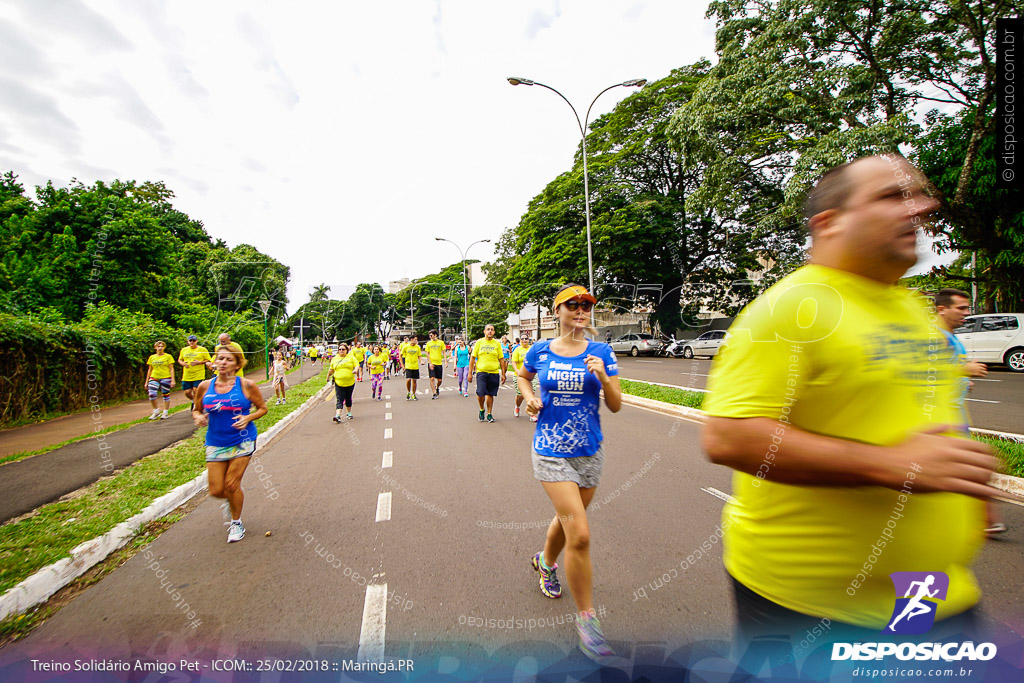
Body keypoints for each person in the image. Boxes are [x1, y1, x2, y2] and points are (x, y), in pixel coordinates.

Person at [701, 155, 1002, 667]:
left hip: (927, 591)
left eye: (922, 195)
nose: (923, 207)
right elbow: (730, 438)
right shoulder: (795, 306)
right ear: (829, 222)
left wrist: (967, 488)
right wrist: (892, 466)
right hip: (815, 607)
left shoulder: (907, 306)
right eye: (893, 196)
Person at [518, 283, 621, 661]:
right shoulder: (540, 350)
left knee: (566, 522)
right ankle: (588, 623)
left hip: (589, 452)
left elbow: (616, 406)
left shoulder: (601, 351)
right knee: (579, 534)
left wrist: (605, 378)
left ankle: (544, 562)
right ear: (557, 310)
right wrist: (529, 399)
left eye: (586, 305)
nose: (581, 310)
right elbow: (524, 377)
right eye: (573, 305)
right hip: (550, 451)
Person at [935, 287, 1006, 535]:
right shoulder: (936, 336)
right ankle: (984, 520)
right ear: (942, 309)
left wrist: (965, 381)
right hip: (941, 417)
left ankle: (981, 519)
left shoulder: (951, 337)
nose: (966, 313)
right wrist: (965, 371)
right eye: (961, 308)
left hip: (956, 413)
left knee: (966, 466)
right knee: (973, 464)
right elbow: (927, 369)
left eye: (967, 308)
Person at [192, 344, 267, 543]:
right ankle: (232, 501)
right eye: (220, 359)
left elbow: (263, 408)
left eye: (228, 360)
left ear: (237, 364)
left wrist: (248, 418)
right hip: (215, 441)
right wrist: (198, 417)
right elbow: (196, 408)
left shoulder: (247, 385)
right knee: (217, 490)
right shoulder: (204, 386)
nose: (223, 363)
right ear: (215, 362)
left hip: (242, 440)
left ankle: (236, 522)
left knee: (232, 485)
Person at [468, 324, 506, 422]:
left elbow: (501, 359)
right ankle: (482, 409)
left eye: (492, 330)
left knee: (490, 394)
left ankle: (489, 413)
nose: (490, 331)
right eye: (488, 329)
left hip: (494, 372)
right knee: (480, 393)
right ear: (484, 331)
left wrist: (503, 373)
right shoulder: (479, 343)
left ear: (494, 332)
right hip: (481, 372)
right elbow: (472, 358)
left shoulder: (497, 344)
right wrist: (469, 373)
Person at [178, 335, 212, 411]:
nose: (192, 342)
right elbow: (180, 360)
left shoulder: (202, 349)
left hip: (198, 373)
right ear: (188, 341)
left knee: (195, 390)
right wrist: (183, 363)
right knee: (187, 392)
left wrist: (199, 362)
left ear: (196, 341)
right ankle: (194, 400)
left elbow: (208, 360)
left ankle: (197, 406)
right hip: (187, 374)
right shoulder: (184, 350)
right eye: (190, 341)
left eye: (194, 341)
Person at [145, 340, 176, 420]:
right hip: (154, 377)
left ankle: (165, 412)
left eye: (162, 346)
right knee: (152, 394)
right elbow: (150, 369)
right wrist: (146, 381)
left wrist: (173, 380)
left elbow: (171, 369)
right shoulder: (152, 357)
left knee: (165, 394)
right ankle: (156, 411)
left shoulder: (168, 356)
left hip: (165, 377)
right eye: (158, 346)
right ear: (155, 347)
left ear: (164, 347)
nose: (160, 348)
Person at [510, 336, 539, 420]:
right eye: (522, 339)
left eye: (526, 338)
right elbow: (514, 362)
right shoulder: (517, 350)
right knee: (520, 395)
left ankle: (532, 413)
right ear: (520, 340)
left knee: (531, 393)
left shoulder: (532, 349)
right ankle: (517, 406)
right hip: (520, 376)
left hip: (531, 375)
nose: (524, 340)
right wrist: (518, 371)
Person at [330, 343, 358, 421]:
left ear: (346, 350)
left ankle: (348, 413)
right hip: (338, 382)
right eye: (340, 349)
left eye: (343, 349)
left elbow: (356, 365)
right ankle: (338, 415)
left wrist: (355, 370)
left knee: (348, 397)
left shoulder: (351, 358)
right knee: (339, 398)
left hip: (350, 382)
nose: (341, 351)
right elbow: (331, 369)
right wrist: (327, 376)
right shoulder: (335, 359)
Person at [425, 329, 447, 399]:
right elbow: (427, 354)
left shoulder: (441, 342)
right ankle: (434, 393)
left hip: (439, 363)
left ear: (435, 335)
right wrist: (430, 363)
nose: (430, 336)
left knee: (439, 380)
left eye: (431, 335)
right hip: (431, 363)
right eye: (429, 335)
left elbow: (444, 352)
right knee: (432, 378)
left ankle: (437, 387)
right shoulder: (429, 343)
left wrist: (446, 361)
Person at [401, 334, 422, 400]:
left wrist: (421, 361)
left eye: (416, 339)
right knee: (408, 379)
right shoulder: (406, 347)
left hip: (415, 366)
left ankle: (413, 394)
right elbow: (400, 355)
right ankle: (408, 392)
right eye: (415, 339)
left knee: (414, 380)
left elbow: (419, 355)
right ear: (411, 340)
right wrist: (402, 365)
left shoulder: (417, 347)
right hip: (408, 365)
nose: (416, 341)